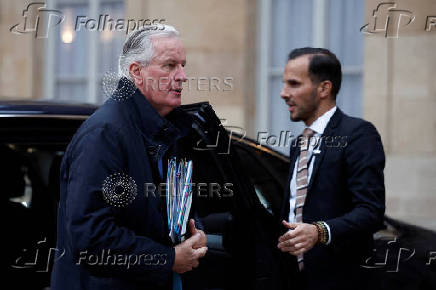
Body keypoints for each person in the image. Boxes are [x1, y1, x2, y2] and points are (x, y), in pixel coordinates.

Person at [50, 25, 207, 290]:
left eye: (182, 65)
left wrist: (194, 233)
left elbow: (163, 213)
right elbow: (92, 237)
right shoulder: (105, 134)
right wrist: (168, 259)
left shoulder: (166, 129)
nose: (182, 76)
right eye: (169, 66)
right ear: (136, 72)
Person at [277, 47, 385, 290]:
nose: (283, 93)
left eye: (293, 84)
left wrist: (319, 232)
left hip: (341, 280)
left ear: (324, 88)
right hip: (293, 279)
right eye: (284, 84)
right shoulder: (298, 144)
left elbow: (370, 211)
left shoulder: (358, 134)